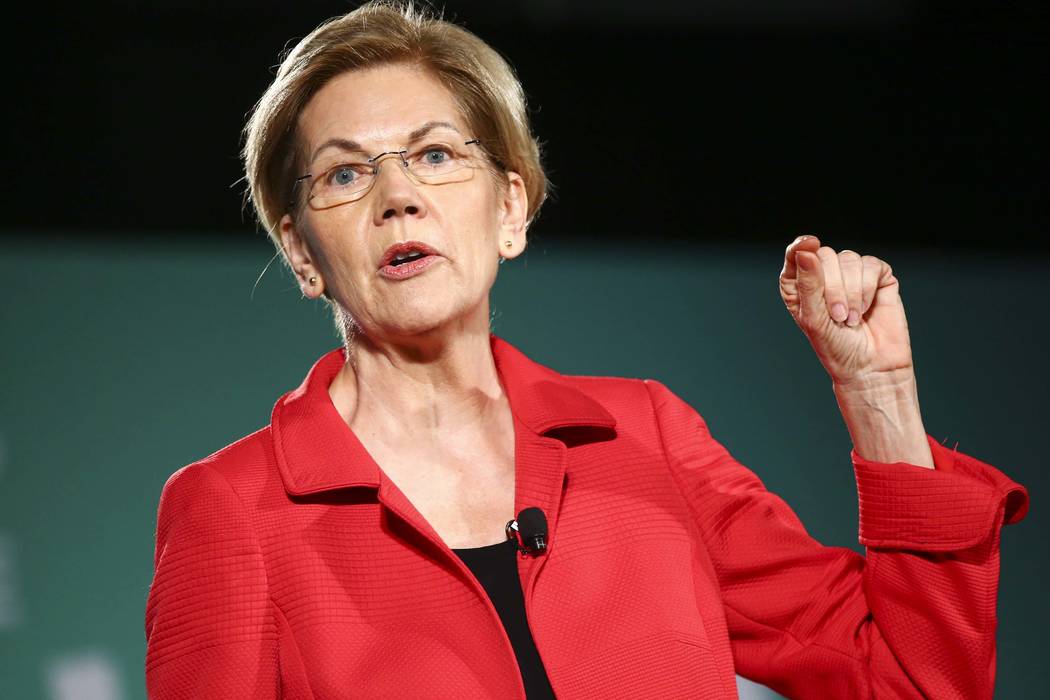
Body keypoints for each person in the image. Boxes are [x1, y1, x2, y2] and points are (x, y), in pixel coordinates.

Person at [143, 2, 1029, 698]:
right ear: (302, 253)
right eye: (345, 173)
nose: (399, 195)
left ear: (510, 210)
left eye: (438, 154)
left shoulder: (647, 437)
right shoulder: (232, 511)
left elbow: (910, 683)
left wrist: (879, 396)